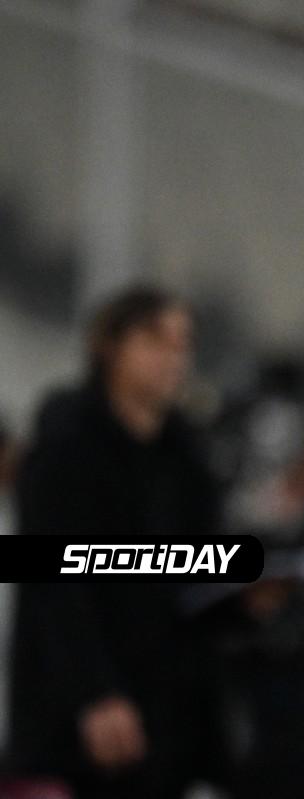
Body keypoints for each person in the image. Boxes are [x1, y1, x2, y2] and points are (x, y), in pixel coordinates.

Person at [8, 286, 228, 798]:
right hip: (80, 719)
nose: (173, 358)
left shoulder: (188, 458)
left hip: (169, 717)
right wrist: (95, 692)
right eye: (155, 340)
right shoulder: (65, 447)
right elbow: (53, 582)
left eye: (183, 343)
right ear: (109, 346)